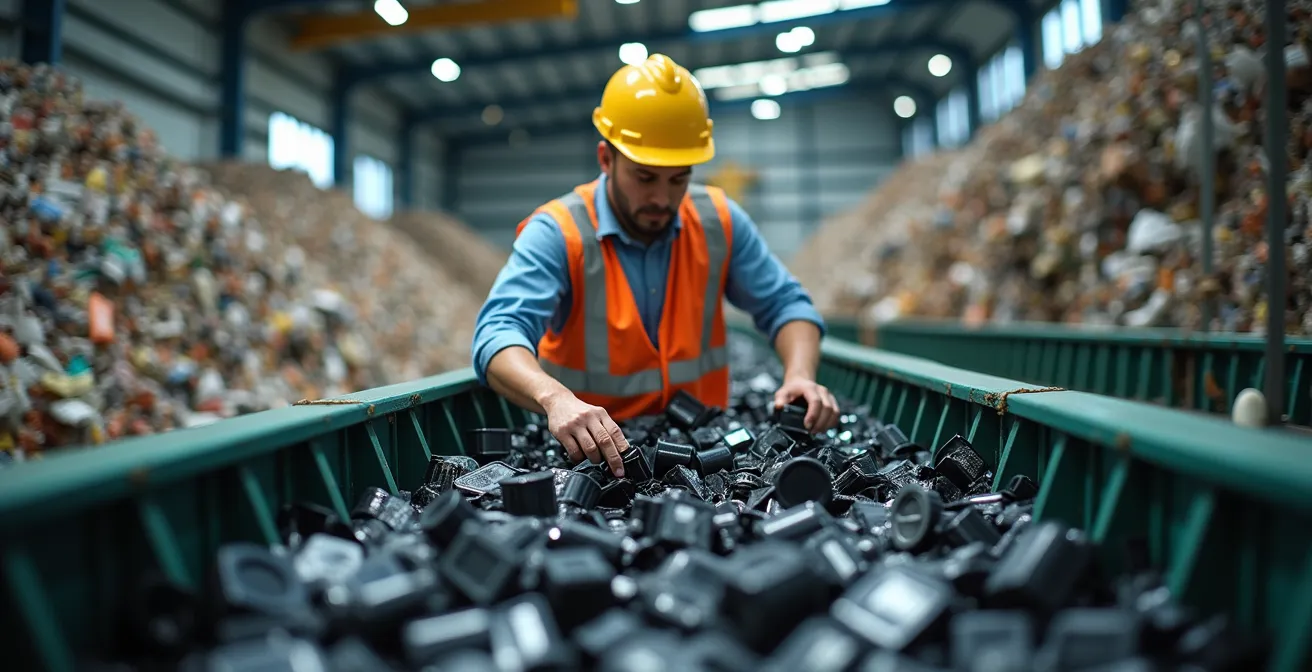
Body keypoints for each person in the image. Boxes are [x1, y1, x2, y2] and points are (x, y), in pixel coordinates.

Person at [471, 53, 839, 478]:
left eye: (678, 178)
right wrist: (555, 398)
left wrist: (799, 375)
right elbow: (498, 335)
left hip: (705, 452)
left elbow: (786, 305)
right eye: (645, 177)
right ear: (606, 159)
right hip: (594, 456)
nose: (663, 199)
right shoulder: (560, 231)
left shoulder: (719, 220)